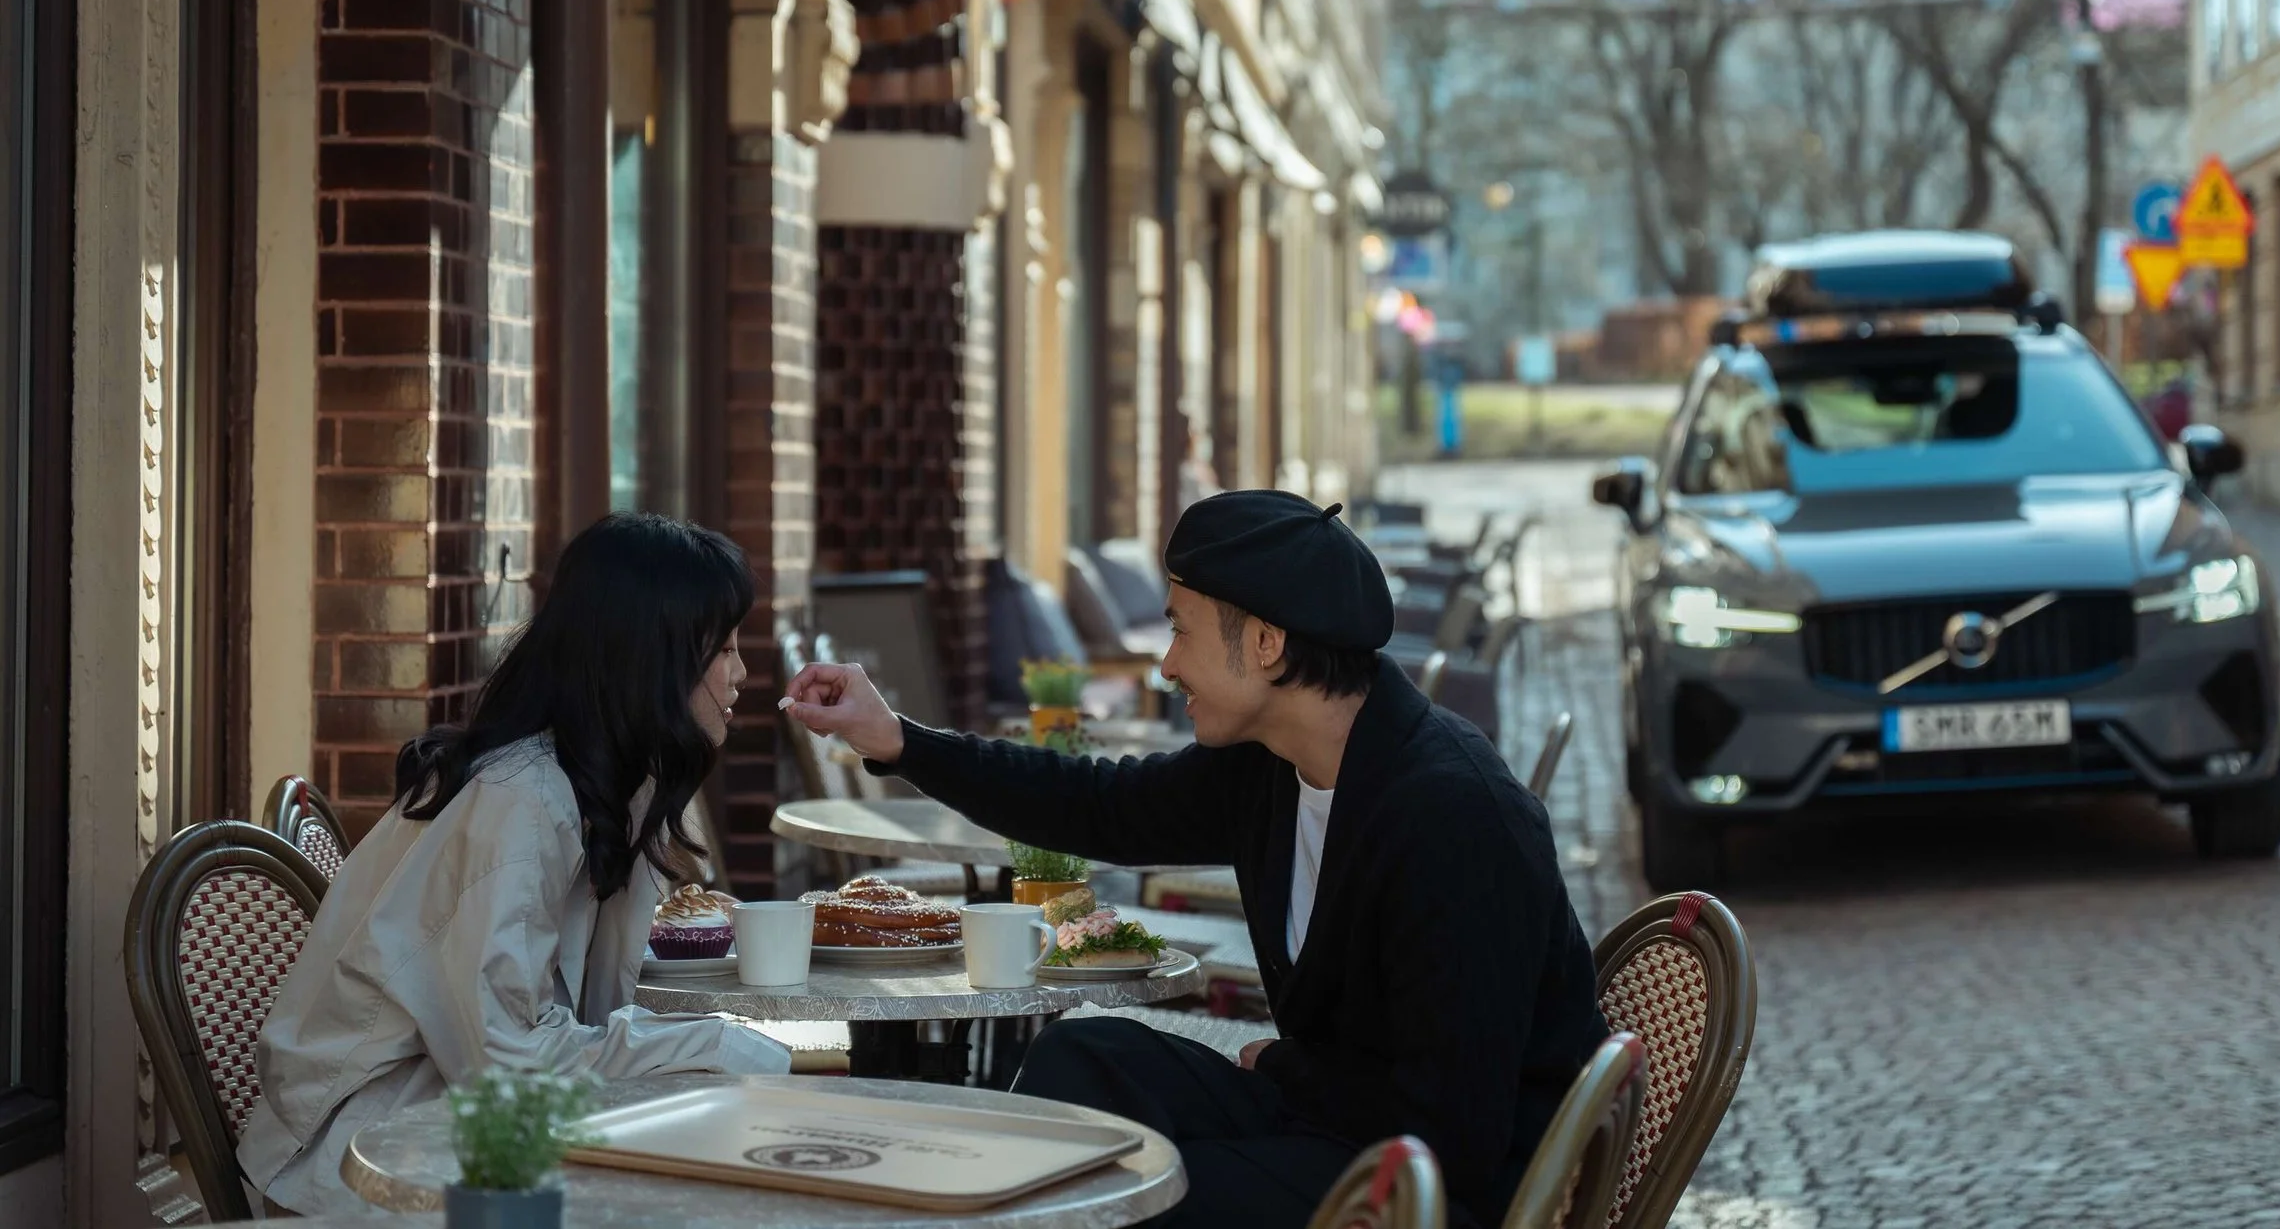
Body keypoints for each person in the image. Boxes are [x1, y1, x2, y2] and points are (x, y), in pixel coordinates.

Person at [785, 490, 1605, 1229]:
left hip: (1437, 1192)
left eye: (1181, 628)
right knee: (1085, 1054)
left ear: (1268, 642)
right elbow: (1095, 804)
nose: (1166, 662)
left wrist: (1287, 1068)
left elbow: (1453, 1128)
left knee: (1145, 1190)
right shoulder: (1274, 765)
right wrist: (898, 739)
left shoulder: (1451, 816)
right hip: (1340, 1122)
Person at [240, 514, 794, 1215]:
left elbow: (580, 1010)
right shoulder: (520, 799)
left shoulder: (607, 780)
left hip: (459, 1119)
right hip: (365, 1156)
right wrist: (718, 1043)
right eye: (722, 647)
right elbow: (506, 1061)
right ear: (649, 657)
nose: (741, 671)